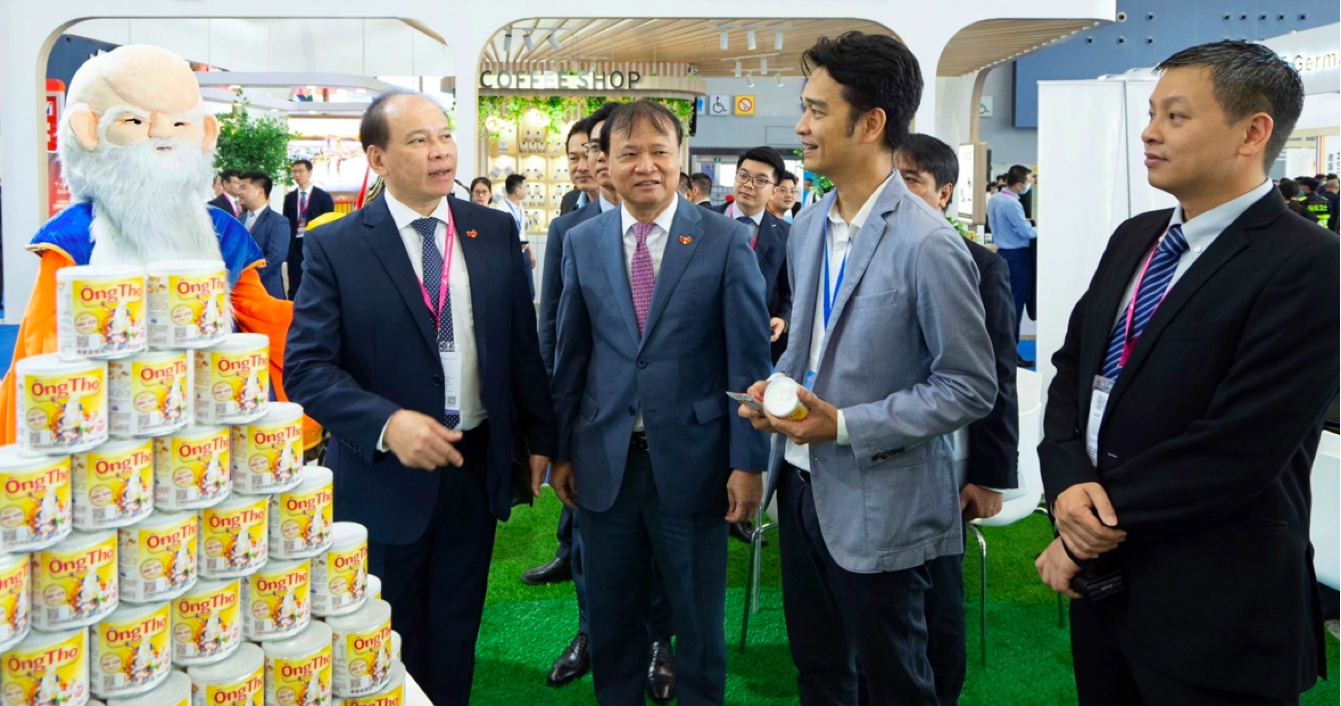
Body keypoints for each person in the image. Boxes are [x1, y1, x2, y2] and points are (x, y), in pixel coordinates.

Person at [1035, 41, 1337, 706]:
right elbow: (1071, 375)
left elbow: (1239, 446)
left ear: (1251, 132)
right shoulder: (1137, 236)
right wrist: (1064, 485)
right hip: (1107, 589)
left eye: (1174, 116)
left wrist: (1090, 528)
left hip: (1216, 602)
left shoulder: (1309, 263)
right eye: (1150, 113)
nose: (1148, 132)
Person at [737, 32, 995, 706]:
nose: (800, 125)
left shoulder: (928, 242)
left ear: (871, 122)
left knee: (894, 680)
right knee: (819, 671)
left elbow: (968, 386)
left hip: (883, 502)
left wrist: (846, 424)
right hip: (798, 488)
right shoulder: (810, 224)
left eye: (817, 110)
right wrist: (778, 393)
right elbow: (812, 345)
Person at [283, 90, 557, 706]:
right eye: (418, 140)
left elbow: (518, 345)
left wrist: (540, 437)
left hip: (475, 464)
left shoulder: (492, 228)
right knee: (384, 639)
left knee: (457, 633)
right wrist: (386, 423)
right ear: (377, 159)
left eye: (444, 135)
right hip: (383, 478)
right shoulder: (338, 245)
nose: (440, 152)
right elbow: (305, 369)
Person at [551, 100, 771, 706]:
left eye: (659, 152)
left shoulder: (725, 241)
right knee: (614, 621)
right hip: (605, 465)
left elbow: (750, 363)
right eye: (629, 153)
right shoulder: (582, 240)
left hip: (696, 465)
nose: (645, 165)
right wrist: (562, 449)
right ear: (607, 162)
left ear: (681, 160)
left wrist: (748, 461)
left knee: (698, 627)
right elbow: (572, 355)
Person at [0, 44, 301, 443]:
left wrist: (331, 323)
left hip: (210, 408)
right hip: (106, 418)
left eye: (179, 125)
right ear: (88, 131)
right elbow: (44, 336)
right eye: (134, 120)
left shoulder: (223, 232)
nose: (160, 133)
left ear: (204, 133)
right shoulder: (73, 237)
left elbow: (260, 315)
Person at [533, 104, 678, 702]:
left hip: (668, 440)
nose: (596, 160)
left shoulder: (695, 233)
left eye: (603, 147)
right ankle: (593, 633)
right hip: (594, 435)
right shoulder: (572, 230)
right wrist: (556, 435)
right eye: (595, 150)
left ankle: (659, 642)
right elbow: (557, 335)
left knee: (665, 555)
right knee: (594, 553)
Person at [894, 134, 1018, 706]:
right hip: (869, 457)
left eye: (913, 180)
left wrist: (991, 475)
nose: (898, 190)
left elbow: (997, 374)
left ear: (944, 193)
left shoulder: (978, 264)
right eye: (891, 177)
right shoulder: (856, 252)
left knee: (937, 600)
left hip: (944, 462)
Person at [988, 165, 1036, 335]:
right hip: (1018, 258)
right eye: (1029, 181)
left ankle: (1006, 350)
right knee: (1016, 306)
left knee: (1006, 305)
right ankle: (1012, 351)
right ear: (1018, 185)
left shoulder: (996, 198)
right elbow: (1026, 232)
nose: (1031, 184)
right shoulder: (1013, 203)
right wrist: (1041, 228)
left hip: (1003, 254)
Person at [282, 159, 335, 300]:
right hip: (295, 244)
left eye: (300, 171)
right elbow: (286, 222)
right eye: (294, 171)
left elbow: (329, 223)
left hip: (315, 243)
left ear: (309, 172)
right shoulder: (289, 198)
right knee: (294, 281)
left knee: (315, 280)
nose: (297, 174)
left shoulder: (323, 197)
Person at [238, 171, 291, 300]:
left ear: (260, 191)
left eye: (244, 188)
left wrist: (246, 278)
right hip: (240, 292)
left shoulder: (278, 221)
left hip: (265, 291)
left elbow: (275, 257)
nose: (239, 192)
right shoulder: (239, 219)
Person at [497, 174, 535, 300]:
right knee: (512, 293)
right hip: (509, 255)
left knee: (530, 292)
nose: (526, 191)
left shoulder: (520, 207)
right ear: (517, 190)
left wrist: (530, 253)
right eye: (525, 187)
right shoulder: (501, 209)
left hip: (523, 253)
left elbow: (522, 230)